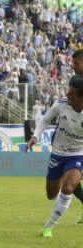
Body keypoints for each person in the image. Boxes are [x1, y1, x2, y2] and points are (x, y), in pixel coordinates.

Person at [25, 78, 83, 238]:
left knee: (68, 188)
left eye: (71, 94)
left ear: (81, 98)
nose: (67, 95)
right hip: (58, 153)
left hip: (78, 154)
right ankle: (63, 202)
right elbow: (45, 120)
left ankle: (48, 227)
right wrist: (35, 136)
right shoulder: (61, 104)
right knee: (51, 194)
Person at [68, 49, 83, 223]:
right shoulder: (74, 81)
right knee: (70, 179)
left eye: (76, 63)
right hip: (75, 133)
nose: (73, 67)